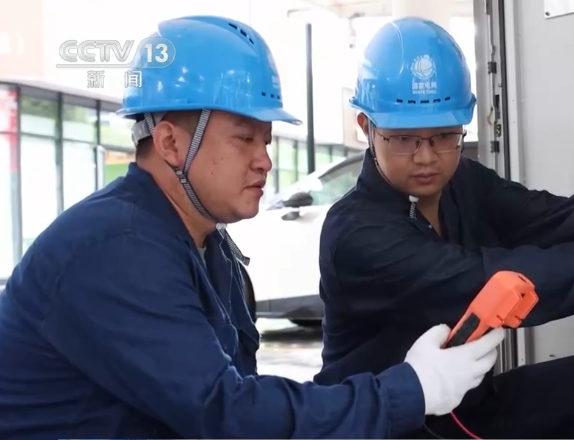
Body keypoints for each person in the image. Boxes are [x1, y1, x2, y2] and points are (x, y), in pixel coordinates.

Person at [0, 15, 507, 439]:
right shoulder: (116, 248)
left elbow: (247, 403)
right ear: (171, 143)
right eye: (245, 139)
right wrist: (410, 390)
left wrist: (399, 392)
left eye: (266, 140)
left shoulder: (209, 246)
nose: (264, 160)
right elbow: (230, 415)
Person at [314, 16, 574, 439]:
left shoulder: (462, 181)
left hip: (464, 407)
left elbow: (550, 218)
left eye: (445, 136)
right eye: (404, 139)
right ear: (367, 128)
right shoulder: (356, 234)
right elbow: (491, 280)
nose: (427, 156)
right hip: (388, 425)